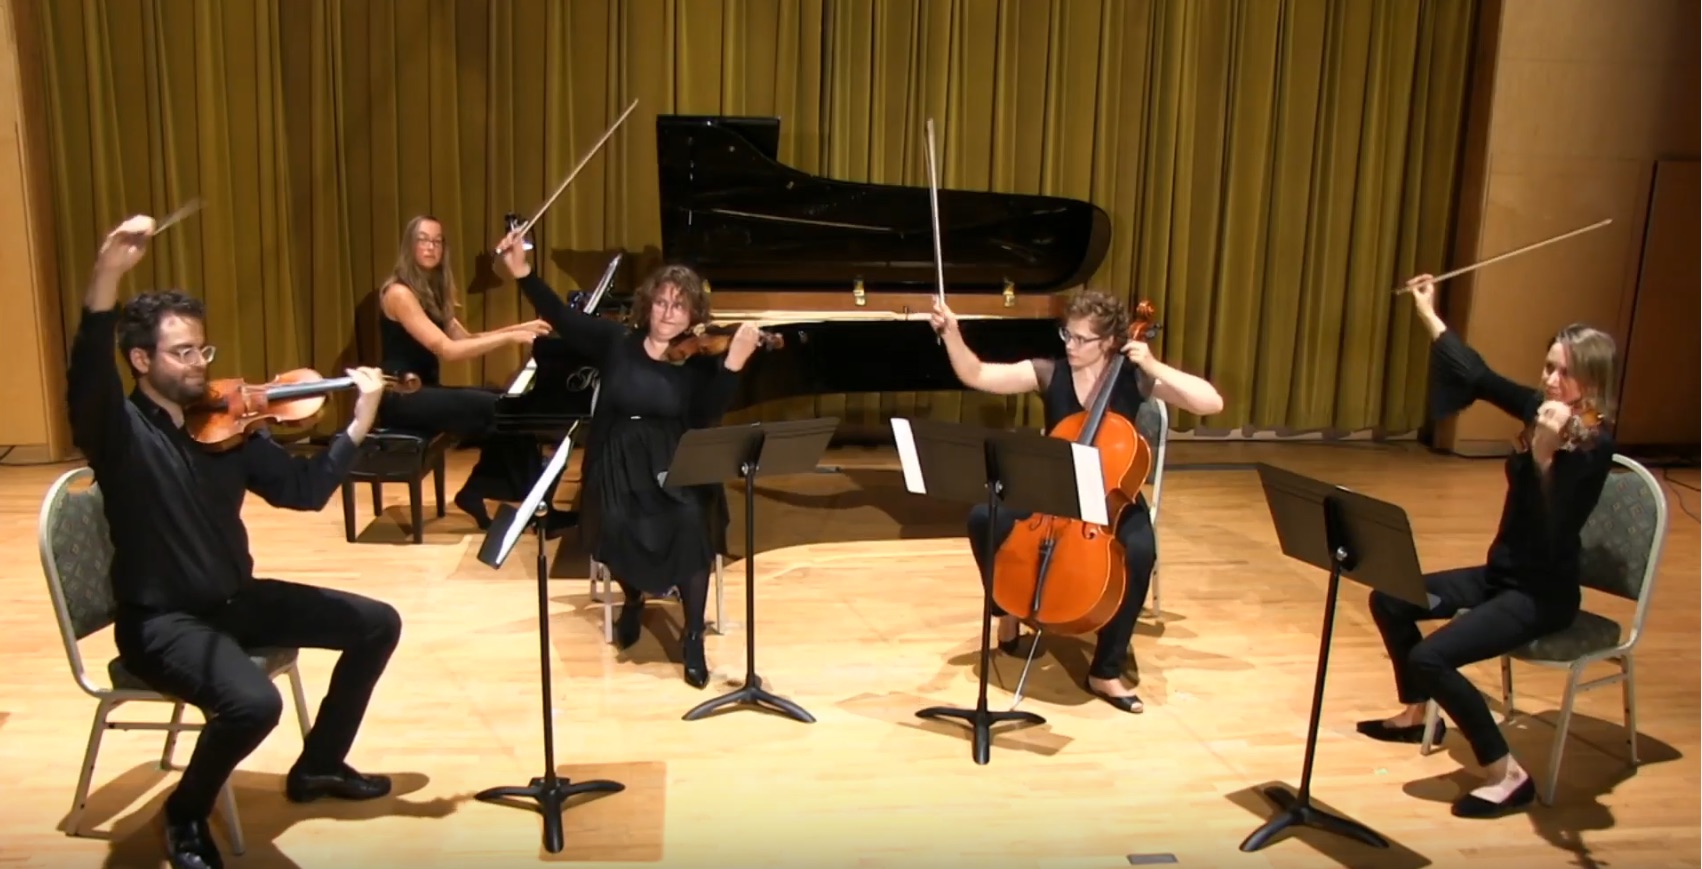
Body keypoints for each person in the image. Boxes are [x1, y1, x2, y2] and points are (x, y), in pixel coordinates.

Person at [68, 216, 404, 869]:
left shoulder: (229, 427)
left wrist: (356, 425)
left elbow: (305, 491)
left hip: (233, 600)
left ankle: (320, 763)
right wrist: (107, 274)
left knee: (376, 623)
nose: (200, 365)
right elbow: (88, 372)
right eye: (182, 352)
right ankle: (186, 815)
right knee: (254, 703)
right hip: (162, 621)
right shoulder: (118, 433)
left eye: (203, 350)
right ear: (141, 360)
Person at [1357, 273, 1618, 818]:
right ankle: (1413, 715)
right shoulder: (1540, 411)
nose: (1549, 380)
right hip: (1500, 576)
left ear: (1591, 382)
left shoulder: (1590, 445)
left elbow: (1554, 530)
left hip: (1541, 594)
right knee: (1391, 596)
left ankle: (1507, 773)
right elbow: (1477, 375)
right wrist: (1429, 313)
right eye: (1548, 366)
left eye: (1564, 373)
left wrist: (1544, 459)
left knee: (1432, 655)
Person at [931, 290, 1224, 713]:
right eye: (1066, 333)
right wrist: (953, 335)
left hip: (1110, 496)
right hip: (1052, 490)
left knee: (1140, 550)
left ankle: (1105, 669)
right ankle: (1007, 609)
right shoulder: (1051, 373)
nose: (1069, 344)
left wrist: (1155, 365)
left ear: (1108, 342)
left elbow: (1210, 403)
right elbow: (977, 374)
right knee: (983, 518)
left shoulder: (1135, 377)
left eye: (1081, 339)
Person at [496, 229, 762, 688]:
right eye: (661, 302)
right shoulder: (616, 342)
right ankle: (634, 597)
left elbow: (706, 415)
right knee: (615, 520)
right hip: (616, 456)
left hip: (674, 457)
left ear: (693, 314)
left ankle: (693, 635)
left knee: (690, 516)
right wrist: (523, 273)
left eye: (679, 306)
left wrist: (734, 364)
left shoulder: (698, 362)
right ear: (648, 304)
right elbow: (561, 316)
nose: (667, 313)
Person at [374, 215, 567, 531]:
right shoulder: (399, 294)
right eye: (423, 239)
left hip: (424, 391)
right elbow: (447, 350)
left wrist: (521, 327)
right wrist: (509, 338)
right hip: (401, 396)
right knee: (503, 408)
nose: (430, 246)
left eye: (437, 241)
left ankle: (484, 492)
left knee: (509, 403)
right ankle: (529, 501)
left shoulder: (430, 291)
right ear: (409, 245)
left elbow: (464, 339)